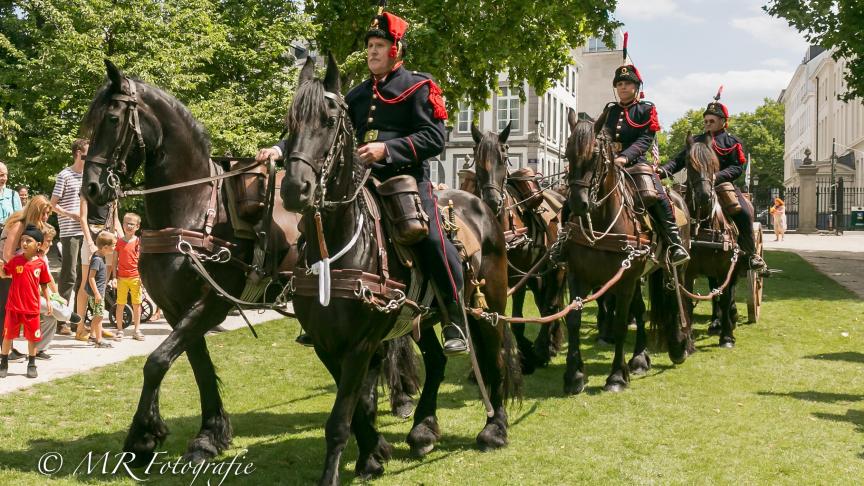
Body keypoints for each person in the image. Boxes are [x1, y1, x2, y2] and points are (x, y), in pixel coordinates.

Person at [256, 7, 469, 355]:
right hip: (359, 180)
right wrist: (280, 149)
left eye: (379, 45)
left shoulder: (419, 86)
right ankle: (314, 313)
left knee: (432, 239)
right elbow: (319, 131)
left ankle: (453, 316)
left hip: (405, 180)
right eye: (370, 45)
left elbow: (435, 138)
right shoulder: (355, 96)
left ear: (394, 50)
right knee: (316, 227)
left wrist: (388, 148)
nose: (372, 51)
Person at [551, 39, 689, 266]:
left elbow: (646, 139)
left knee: (656, 195)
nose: (623, 87)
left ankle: (674, 243)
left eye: (628, 83)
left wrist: (625, 157)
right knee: (573, 196)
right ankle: (563, 242)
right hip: (608, 162)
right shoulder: (610, 110)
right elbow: (600, 133)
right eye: (619, 84)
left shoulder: (646, 109)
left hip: (636, 164)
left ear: (637, 87)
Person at [658, 88, 766, 270]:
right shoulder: (696, 141)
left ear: (723, 122)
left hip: (722, 184)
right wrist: (660, 171)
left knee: (745, 212)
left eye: (712, 121)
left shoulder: (732, 142)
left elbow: (737, 167)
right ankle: (668, 246)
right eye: (706, 121)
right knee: (670, 208)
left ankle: (750, 254)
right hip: (694, 185)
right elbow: (677, 162)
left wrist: (716, 176)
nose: (707, 124)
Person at [0, 195, 52, 362]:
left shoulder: (34, 227)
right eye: (43, 213)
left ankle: (8, 349)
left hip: (16, 269)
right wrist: (20, 271)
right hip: (6, 270)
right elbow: (8, 254)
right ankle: (5, 350)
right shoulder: (19, 224)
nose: (45, 218)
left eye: (47, 214)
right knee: (4, 311)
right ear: (35, 211)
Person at [74, 173, 119, 342]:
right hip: (92, 238)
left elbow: (115, 219)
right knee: (87, 283)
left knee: (101, 284)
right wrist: (90, 242)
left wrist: (120, 239)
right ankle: (79, 328)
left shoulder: (113, 189)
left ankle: (95, 327)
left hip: (108, 238)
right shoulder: (87, 189)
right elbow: (83, 219)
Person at [51, 138, 87, 335]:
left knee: (85, 276)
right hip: (70, 231)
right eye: (87, 153)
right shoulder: (64, 175)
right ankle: (61, 320)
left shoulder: (89, 175)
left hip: (86, 232)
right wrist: (71, 215)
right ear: (78, 153)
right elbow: (53, 204)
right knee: (69, 275)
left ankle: (79, 320)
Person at [34, 224, 82, 360]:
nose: (50, 243)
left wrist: (58, 296)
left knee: (51, 317)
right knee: (53, 307)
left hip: (42, 295)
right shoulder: (32, 257)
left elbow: (48, 278)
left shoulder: (43, 257)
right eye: (48, 240)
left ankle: (39, 350)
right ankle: (67, 315)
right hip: (30, 297)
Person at [113, 212, 144, 341]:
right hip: (121, 278)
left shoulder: (139, 242)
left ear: (137, 226)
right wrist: (114, 277)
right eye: (126, 223)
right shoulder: (119, 242)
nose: (129, 226)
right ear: (123, 224)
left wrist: (142, 277)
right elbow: (114, 261)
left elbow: (142, 260)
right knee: (120, 304)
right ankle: (119, 330)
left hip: (136, 278)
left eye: (132, 224)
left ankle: (137, 330)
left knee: (137, 304)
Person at [85, 231, 116, 349]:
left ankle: (92, 336)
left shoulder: (98, 255)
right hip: (96, 294)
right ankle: (99, 340)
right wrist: (97, 294)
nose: (114, 247)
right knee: (99, 316)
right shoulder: (97, 259)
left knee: (97, 315)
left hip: (97, 292)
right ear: (105, 247)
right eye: (113, 245)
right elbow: (91, 277)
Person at [0, 162, 23, 228]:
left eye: (6, 175)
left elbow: (20, 219)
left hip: (8, 235)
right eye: (1, 175)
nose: (5, 178)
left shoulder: (13, 195)